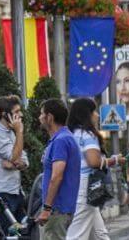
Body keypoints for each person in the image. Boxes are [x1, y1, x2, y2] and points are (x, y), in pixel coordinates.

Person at [65, 98, 123, 240]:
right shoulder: (87, 134)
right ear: (87, 115)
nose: (97, 115)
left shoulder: (71, 134)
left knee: (100, 234)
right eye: (94, 112)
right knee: (76, 235)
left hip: (75, 184)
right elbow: (94, 161)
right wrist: (114, 160)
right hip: (86, 186)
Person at [0, 95, 29, 235]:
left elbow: (25, 161)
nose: (20, 115)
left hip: (16, 192)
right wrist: (20, 132)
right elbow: (14, 157)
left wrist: (14, 164)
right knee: (9, 234)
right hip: (2, 194)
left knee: (23, 232)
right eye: (16, 112)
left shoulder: (11, 133)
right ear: (4, 114)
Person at [36, 99, 81, 240]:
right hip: (61, 208)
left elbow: (57, 176)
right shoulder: (64, 138)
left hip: (57, 209)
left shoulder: (61, 141)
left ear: (50, 117)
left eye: (42, 114)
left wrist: (47, 208)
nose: (39, 117)